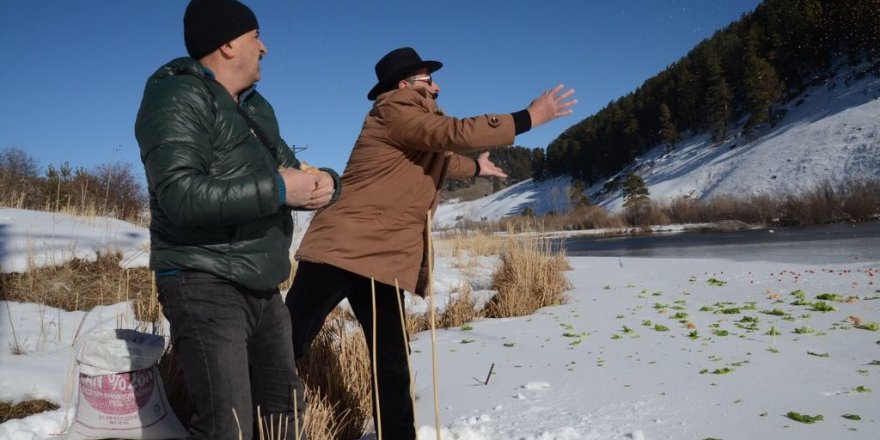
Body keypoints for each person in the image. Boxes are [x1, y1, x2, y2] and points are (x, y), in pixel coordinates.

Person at [286, 46, 575, 439]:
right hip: (339, 250)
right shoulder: (395, 108)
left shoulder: (414, 123)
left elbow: (444, 156)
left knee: (391, 359)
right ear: (405, 84)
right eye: (428, 80)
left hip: (378, 258)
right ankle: (252, 420)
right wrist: (529, 118)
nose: (437, 87)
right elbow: (452, 134)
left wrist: (476, 166)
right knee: (288, 341)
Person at [134, 0, 340, 438]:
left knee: (284, 413)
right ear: (227, 45)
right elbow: (180, 196)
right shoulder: (175, 96)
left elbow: (288, 167)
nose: (264, 47)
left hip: (262, 283)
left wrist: (326, 183)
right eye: (255, 37)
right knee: (227, 425)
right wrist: (280, 189)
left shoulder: (255, 109)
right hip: (203, 278)